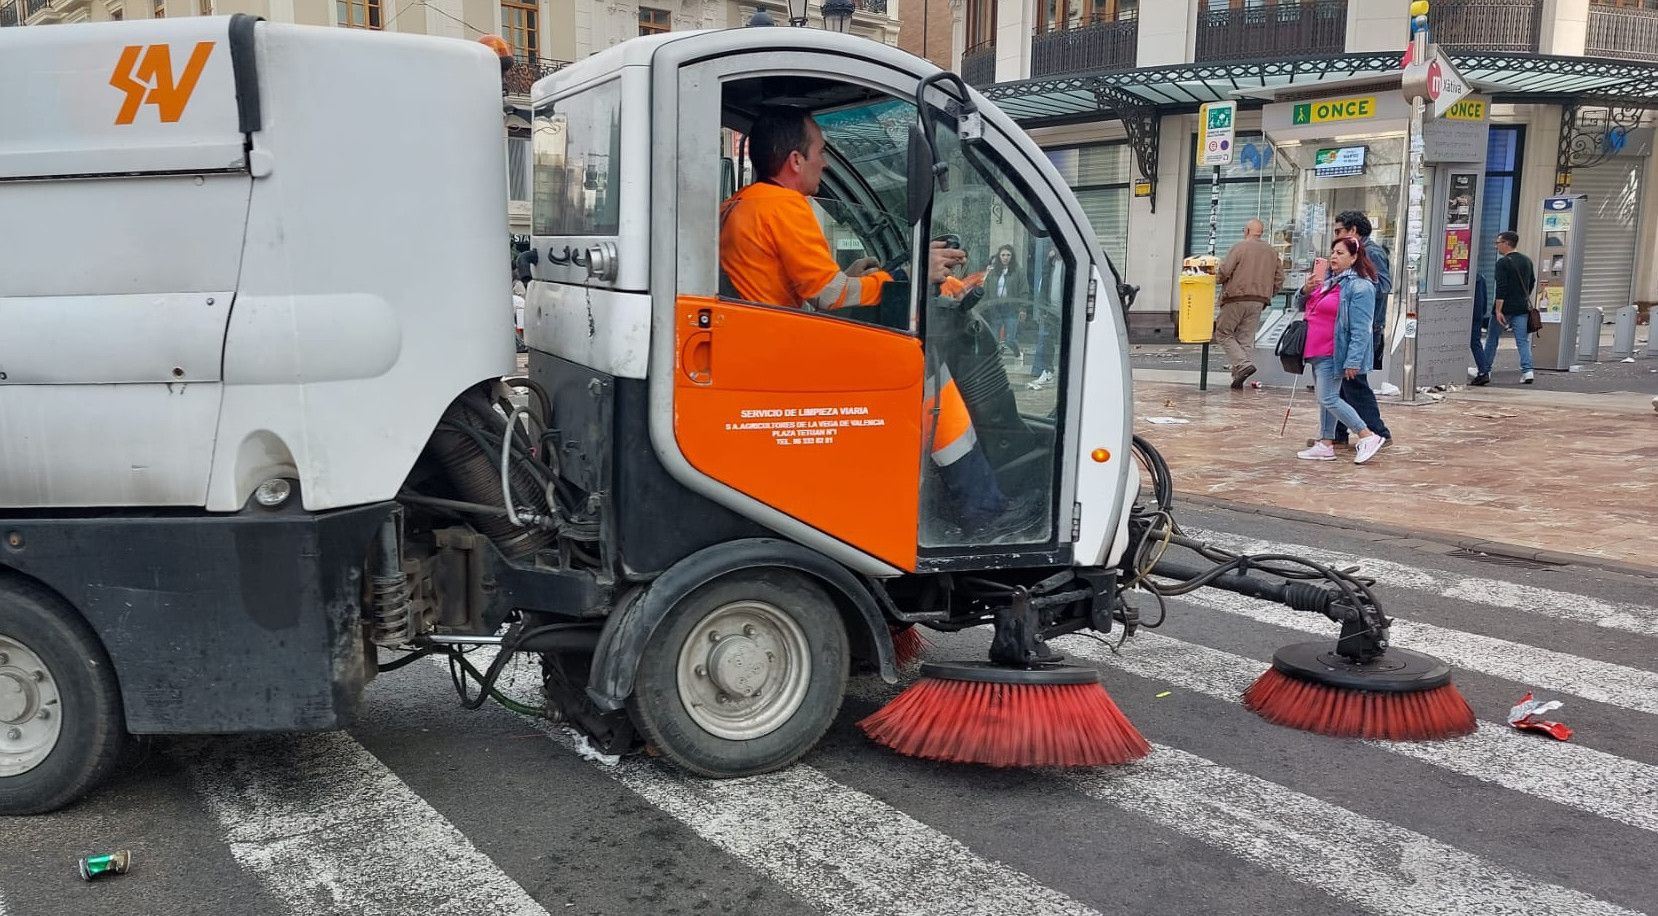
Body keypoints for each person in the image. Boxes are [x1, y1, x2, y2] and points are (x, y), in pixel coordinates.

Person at [719, 105, 959, 309]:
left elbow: (800, 285)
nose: (825, 163)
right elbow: (829, 297)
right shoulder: (783, 206)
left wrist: (845, 279)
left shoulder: (740, 204)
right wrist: (909, 276)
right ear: (795, 160)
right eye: (821, 152)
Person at [1296, 237, 1386, 465]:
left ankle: (1367, 435)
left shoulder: (1360, 286)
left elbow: (1361, 327)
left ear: (1354, 257)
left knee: (1328, 397)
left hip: (1333, 350)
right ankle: (1326, 443)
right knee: (1326, 399)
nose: (1334, 257)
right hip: (1315, 349)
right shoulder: (1329, 281)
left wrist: (1353, 360)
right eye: (1333, 252)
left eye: (1340, 253)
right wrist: (1306, 290)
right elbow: (1301, 305)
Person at [1330, 211, 1392, 447]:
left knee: (1354, 382)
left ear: (1353, 231)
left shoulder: (1370, 253)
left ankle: (1378, 431)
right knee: (1342, 385)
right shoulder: (1344, 266)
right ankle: (1337, 433)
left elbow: (1383, 284)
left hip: (1364, 326)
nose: (1335, 239)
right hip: (1348, 326)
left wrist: (1356, 283)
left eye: (1339, 232)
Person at [1216, 218, 1285, 389]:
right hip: (1258, 301)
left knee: (1223, 332)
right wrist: (1269, 293)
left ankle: (1242, 365)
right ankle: (1239, 377)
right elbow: (1280, 278)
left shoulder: (1239, 247)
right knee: (1245, 338)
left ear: (1246, 231)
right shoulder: (1272, 252)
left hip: (1235, 298)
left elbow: (1224, 272)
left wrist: (1216, 278)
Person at [1472, 230, 1537, 385]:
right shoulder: (1527, 260)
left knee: (1492, 339)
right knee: (1522, 340)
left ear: (1507, 243)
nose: (1496, 246)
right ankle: (1528, 371)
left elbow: (1501, 288)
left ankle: (1485, 368)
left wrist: (1498, 310)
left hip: (1505, 308)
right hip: (1521, 308)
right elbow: (1532, 281)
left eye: (1498, 243)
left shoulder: (1503, 263)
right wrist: (1523, 295)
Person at [1026, 248, 1064, 390]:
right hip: (1051, 310)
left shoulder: (1069, 263)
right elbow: (1044, 287)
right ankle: (1048, 371)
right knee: (1047, 341)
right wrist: (1042, 308)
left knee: (1068, 343)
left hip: (1066, 311)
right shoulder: (1051, 263)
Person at [983, 244, 1029, 357]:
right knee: (994, 339)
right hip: (995, 308)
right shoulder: (993, 272)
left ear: (1012, 256)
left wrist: (1023, 309)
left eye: (1008, 255)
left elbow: (1024, 290)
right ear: (999, 256)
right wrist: (984, 306)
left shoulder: (1018, 271)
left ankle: (1018, 353)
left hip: (1011, 309)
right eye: (1003, 255)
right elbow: (986, 290)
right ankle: (995, 362)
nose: (1005, 257)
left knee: (1010, 339)